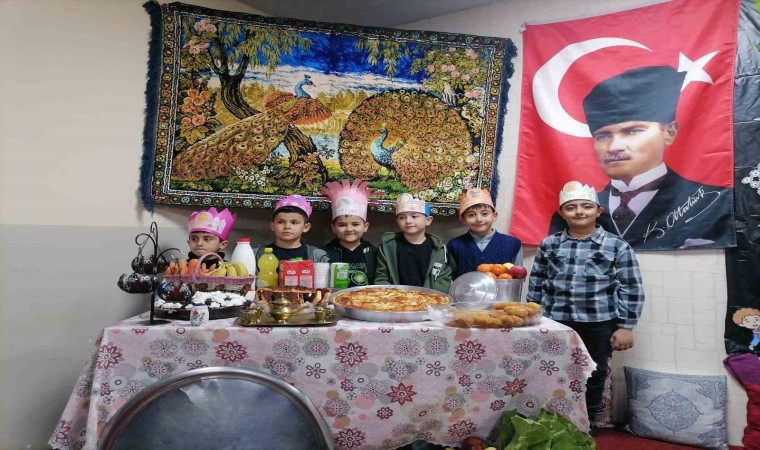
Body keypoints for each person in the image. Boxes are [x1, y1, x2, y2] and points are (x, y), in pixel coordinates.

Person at [548, 65, 733, 249]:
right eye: (603, 136)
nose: (614, 147)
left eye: (633, 131)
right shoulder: (570, 214)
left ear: (669, 132)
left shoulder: (709, 202)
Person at [530, 181, 644, 424]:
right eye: (571, 207)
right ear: (561, 213)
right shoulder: (549, 244)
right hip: (556, 322)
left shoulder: (617, 245)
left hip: (599, 323)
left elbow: (631, 286)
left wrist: (626, 326)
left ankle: (586, 422)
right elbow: (537, 281)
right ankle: (553, 421)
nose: (579, 212)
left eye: (586, 206)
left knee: (594, 372)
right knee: (553, 369)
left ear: (598, 211)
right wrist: (533, 317)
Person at [375, 193, 452, 293]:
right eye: (402, 217)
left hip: (429, 300)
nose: (408, 221)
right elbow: (381, 278)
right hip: (396, 299)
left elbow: (444, 279)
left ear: (428, 220)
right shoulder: (388, 247)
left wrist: (431, 297)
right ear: (397, 221)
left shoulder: (438, 249)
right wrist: (396, 296)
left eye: (414, 216)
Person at [446, 187, 523, 278]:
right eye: (471, 215)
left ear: (494, 216)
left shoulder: (512, 244)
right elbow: (451, 278)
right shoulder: (454, 245)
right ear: (463, 219)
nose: (479, 219)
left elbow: (518, 278)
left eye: (485, 214)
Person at [320, 179, 378, 287]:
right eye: (342, 225)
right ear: (333, 228)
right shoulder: (323, 254)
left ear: (365, 227)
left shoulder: (374, 253)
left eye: (355, 224)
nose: (349, 229)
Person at [255, 194, 329, 262]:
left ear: (306, 227)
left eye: (294, 222)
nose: (287, 227)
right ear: (272, 226)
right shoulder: (256, 254)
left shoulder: (317, 256)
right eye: (280, 222)